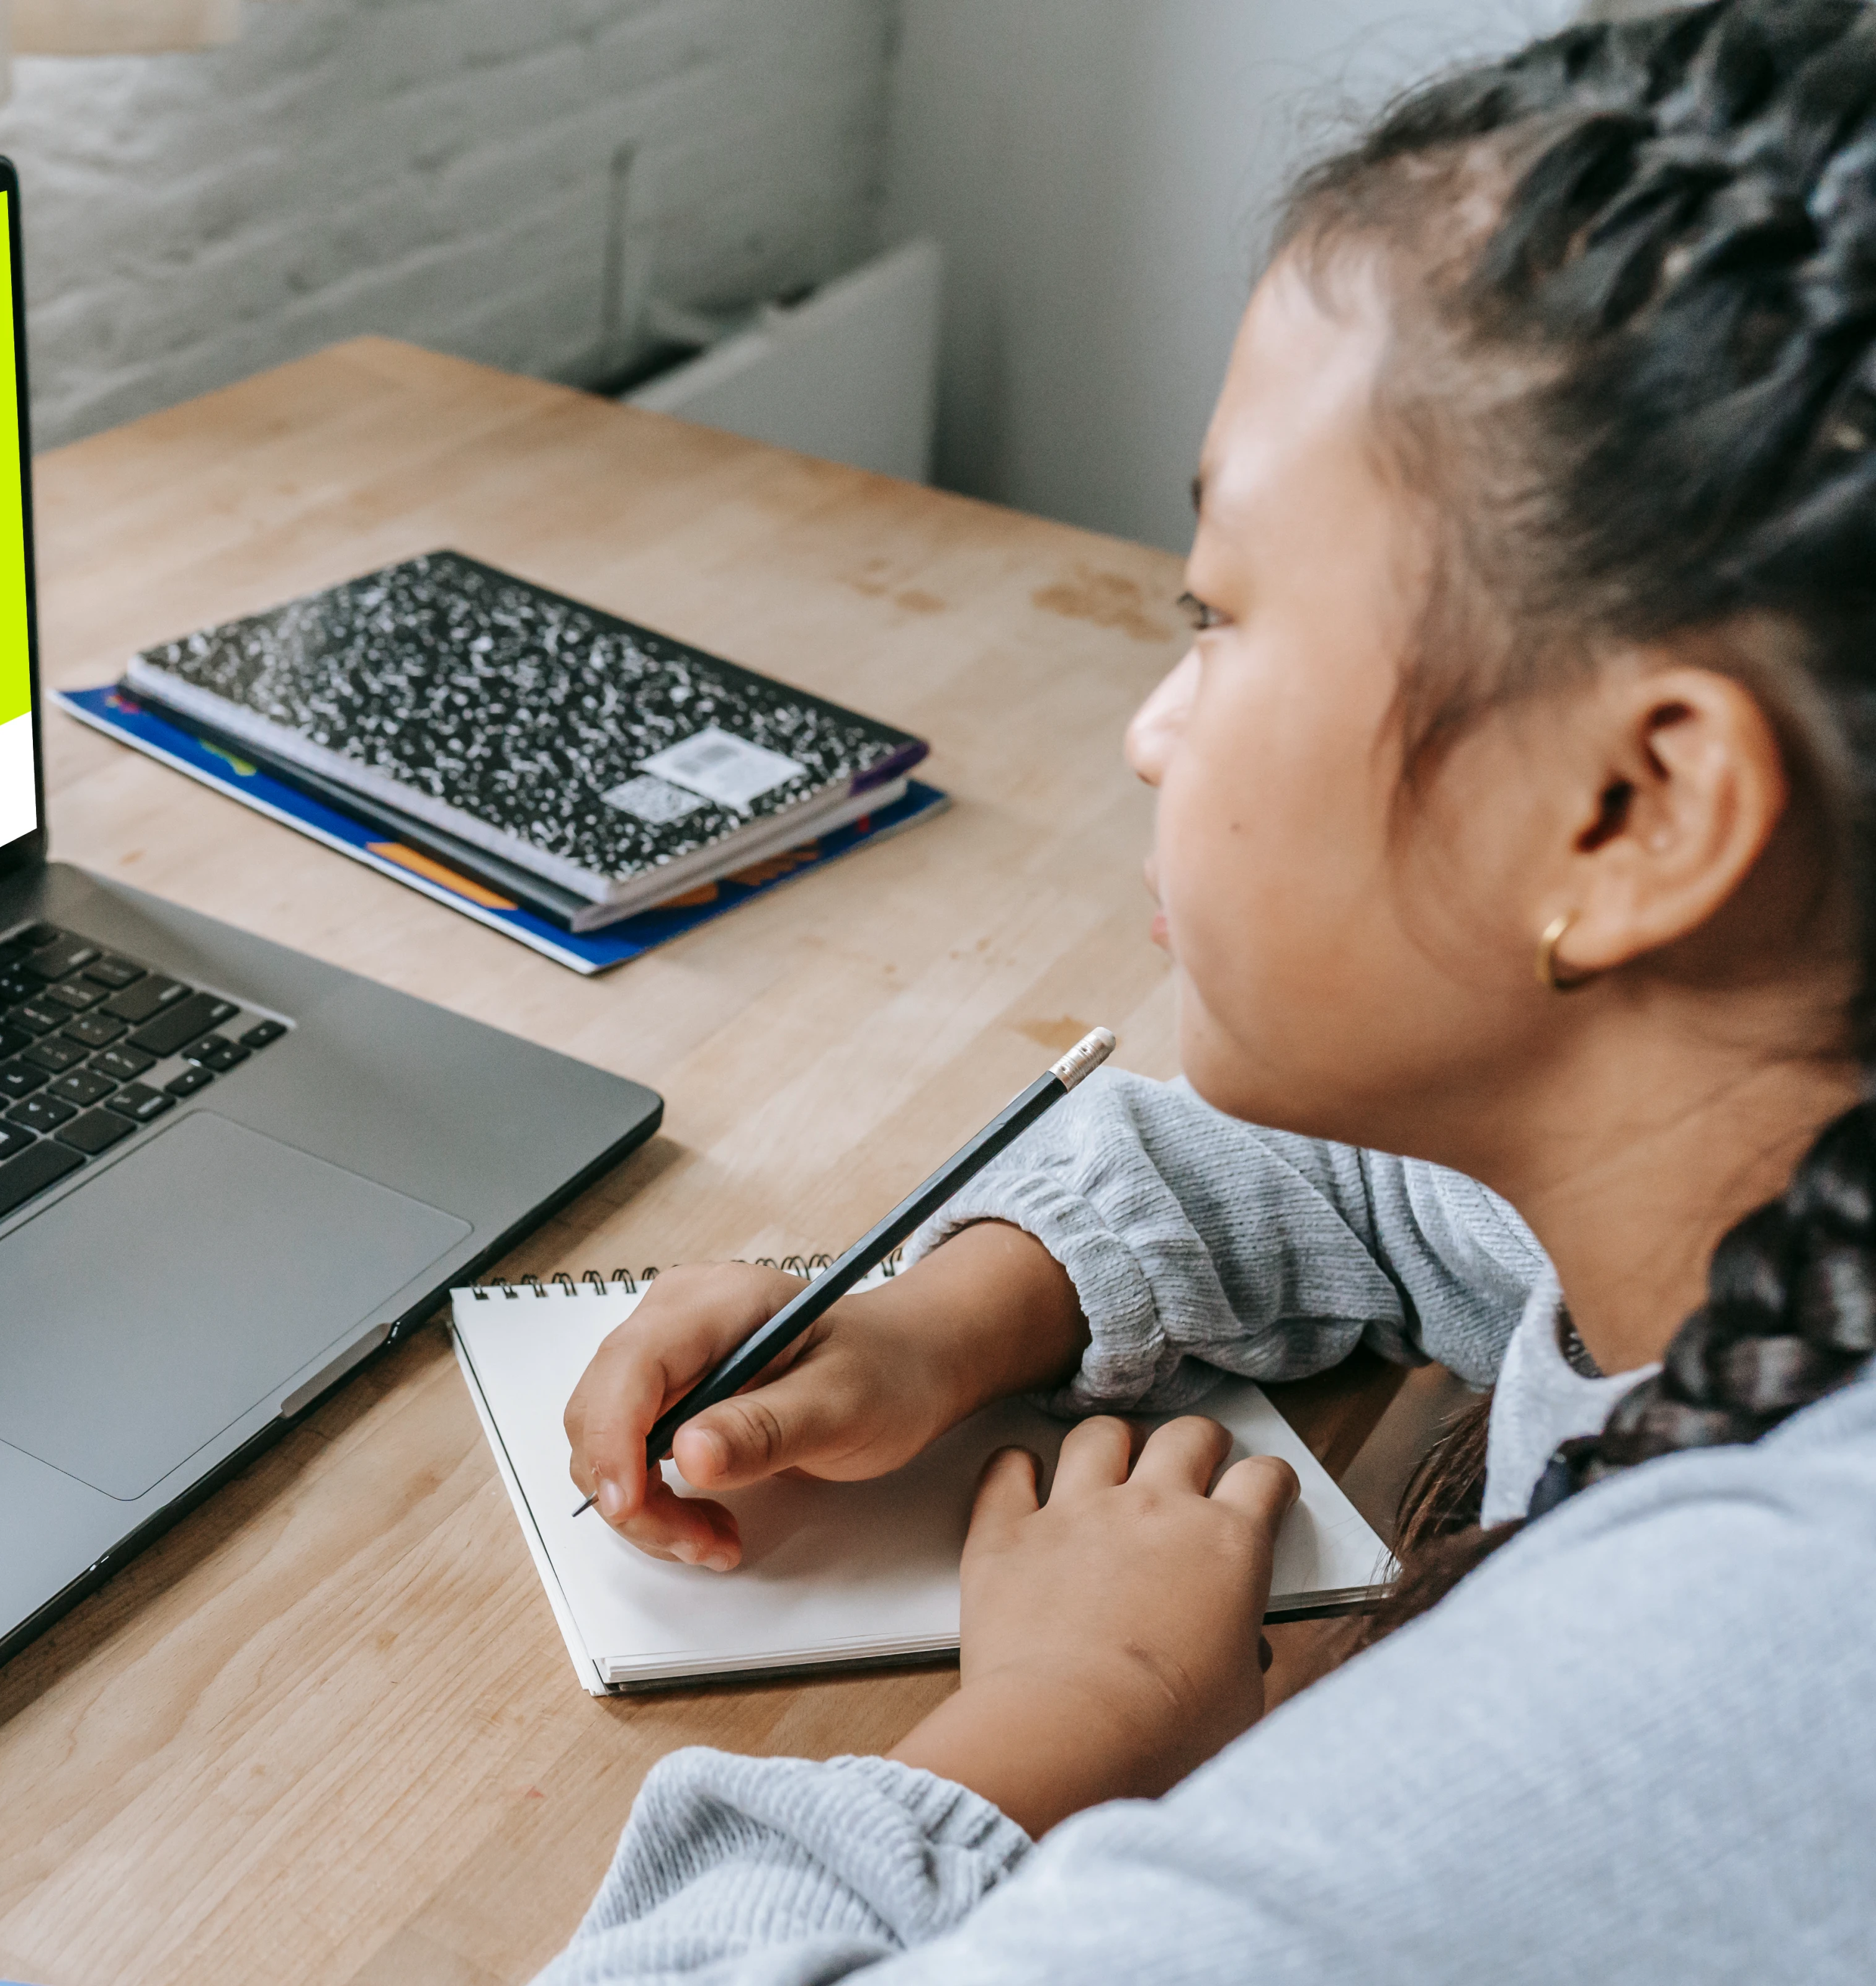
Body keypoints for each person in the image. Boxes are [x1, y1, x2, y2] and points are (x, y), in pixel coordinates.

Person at [540, 4, 1876, 1978]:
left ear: (1640, 808)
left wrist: (1060, 1727)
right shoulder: (1755, 1169)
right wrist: (943, 1325)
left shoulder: (1661, 1732)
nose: (1155, 731)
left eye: (1219, 617)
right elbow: (1427, 1196)